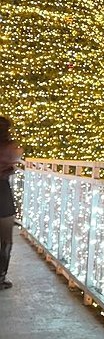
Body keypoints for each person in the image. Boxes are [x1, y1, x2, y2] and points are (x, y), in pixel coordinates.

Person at [0, 116, 22, 290]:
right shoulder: (10, 147)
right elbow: (17, 155)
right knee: (6, 239)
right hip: (3, 193)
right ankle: (1, 277)